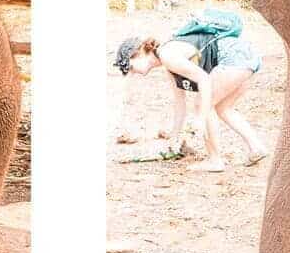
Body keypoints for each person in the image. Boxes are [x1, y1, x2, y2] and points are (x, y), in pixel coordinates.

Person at [114, 31, 267, 172]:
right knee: (223, 108)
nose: (133, 73)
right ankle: (256, 147)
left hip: (234, 56)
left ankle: (215, 160)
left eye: (131, 67)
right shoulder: (167, 64)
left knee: (204, 103)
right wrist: (174, 137)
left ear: (137, 54)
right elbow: (180, 104)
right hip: (246, 55)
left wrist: (200, 119)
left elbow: (204, 80)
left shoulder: (167, 55)